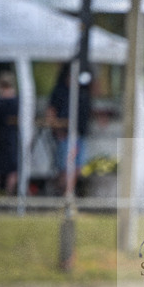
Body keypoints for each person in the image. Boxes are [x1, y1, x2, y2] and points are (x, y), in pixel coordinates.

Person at [46, 62, 92, 194]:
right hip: (65, 134)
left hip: (79, 133)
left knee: (78, 166)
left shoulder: (82, 91)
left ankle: (68, 192)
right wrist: (56, 129)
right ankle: (63, 192)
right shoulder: (60, 91)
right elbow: (51, 111)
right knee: (65, 167)